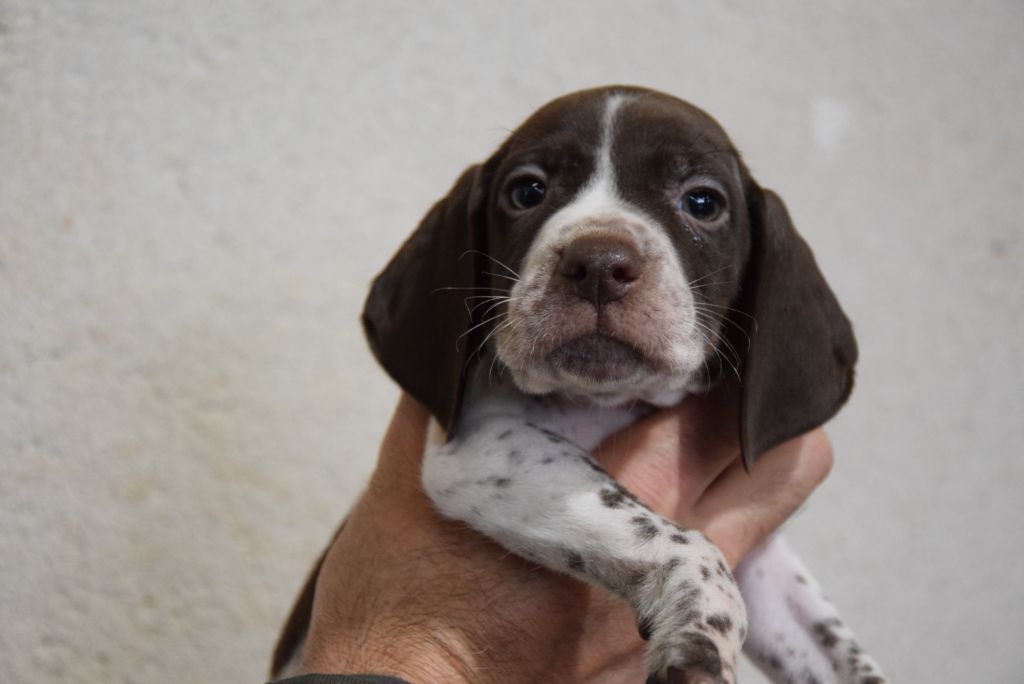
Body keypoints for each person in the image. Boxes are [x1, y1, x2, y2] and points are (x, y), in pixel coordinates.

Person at [271, 391, 833, 684]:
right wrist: (681, 571)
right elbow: (467, 469)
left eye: (701, 205)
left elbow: (756, 574)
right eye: (529, 192)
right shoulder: (496, 399)